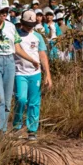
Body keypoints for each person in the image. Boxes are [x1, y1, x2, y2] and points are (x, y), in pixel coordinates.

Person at [0, 0, 39, 137]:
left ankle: (1, 128)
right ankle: (2, 131)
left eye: (7, 11)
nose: (5, 14)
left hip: (10, 63)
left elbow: (17, 48)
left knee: (8, 101)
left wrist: (32, 60)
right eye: (2, 11)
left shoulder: (11, 27)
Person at [13, 10, 52, 141]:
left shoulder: (38, 37)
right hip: (19, 73)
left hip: (35, 74)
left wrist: (48, 75)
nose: (29, 27)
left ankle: (32, 130)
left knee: (34, 103)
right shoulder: (16, 35)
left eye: (32, 24)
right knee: (21, 99)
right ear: (22, 23)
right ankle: (17, 127)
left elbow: (42, 55)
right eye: (27, 24)